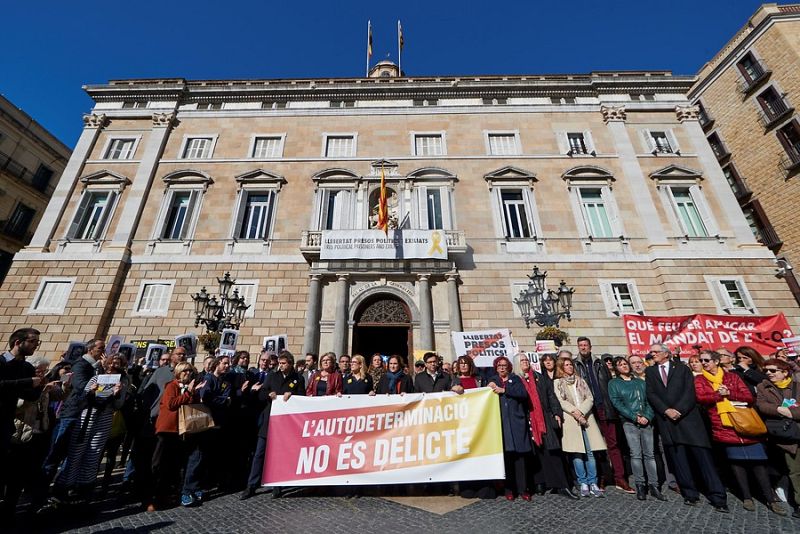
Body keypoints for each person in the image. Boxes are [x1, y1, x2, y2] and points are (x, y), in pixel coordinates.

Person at [695, 350, 785, 515]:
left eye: (706, 360)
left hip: (745, 424)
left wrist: (729, 393)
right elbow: (701, 398)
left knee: (758, 462)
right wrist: (718, 394)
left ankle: (770, 499)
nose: (703, 363)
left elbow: (748, 397)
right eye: (701, 360)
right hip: (724, 425)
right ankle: (746, 497)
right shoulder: (700, 379)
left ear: (716, 361)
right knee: (736, 463)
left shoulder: (732, 377)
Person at [645, 343, 728, 512]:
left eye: (655, 351)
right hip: (667, 421)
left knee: (703, 459)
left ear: (666, 354)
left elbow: (690, 392)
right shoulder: (650, 371)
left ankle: (718, 497)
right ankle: (690, 494)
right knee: (679, 461)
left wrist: (679, 410)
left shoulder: (682, 368)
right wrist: (666, 410)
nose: (652, 354)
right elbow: (651, 394)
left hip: (688, 419)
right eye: (651, 352)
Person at [52, 354, 127, 503]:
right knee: (75, 453)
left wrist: (117, 394)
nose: (112, 367)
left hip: (104, 418)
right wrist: (91, 392)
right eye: (110, 363)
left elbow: (118, 405)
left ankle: (83, 489)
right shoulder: (95, 378)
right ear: (105, 365)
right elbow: (81, 399)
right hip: (86, 417)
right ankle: (64, 487)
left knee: (94, 453)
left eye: (116, 364)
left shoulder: (122, 382)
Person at [242, 351, 305, 500]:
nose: (280, 366)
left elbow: (302, 397)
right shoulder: (272, 376)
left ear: (290, 364)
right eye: (280, 363)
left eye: (283, 363)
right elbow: (262, 394)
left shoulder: (298, 378)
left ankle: (278, 485)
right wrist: (269, 395)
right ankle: (252, 485)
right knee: (259, 453)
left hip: (286, 423)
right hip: (269, 420)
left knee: (280, 454)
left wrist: (292, 395)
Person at [42, 338, 104, 488]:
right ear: (90, 349)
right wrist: (99, 387)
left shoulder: (93, 366)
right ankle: (41, 488)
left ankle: (61, 485)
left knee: (70, 453)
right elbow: (80, 386)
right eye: (101, 348)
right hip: (71, 413)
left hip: (81, 413)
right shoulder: (80, 365)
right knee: (56, 453)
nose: (103, 351)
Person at [514, 352, 578, 500]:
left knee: (553, 452)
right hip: (527, 421)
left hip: (544, 419)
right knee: (535, 454)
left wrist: (556, 413)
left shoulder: (539, 377)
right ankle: (540, 483)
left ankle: (562, 485)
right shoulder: (516, 380)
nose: (525, 362)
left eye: (526, 360)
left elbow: (551, 395)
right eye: (522, 360)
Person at [3, 355, 59, 519]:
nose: (42, 374)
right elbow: (18, 406)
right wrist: (41, 391)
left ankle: (30, 507)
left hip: (39, 433)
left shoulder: (42, 384)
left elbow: (55, 399)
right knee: (14, 477)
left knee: (31, 472)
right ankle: (8, 510)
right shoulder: (24, 384)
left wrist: (64, 387)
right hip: (21, 434)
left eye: (44, 371)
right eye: (39, 371)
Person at [572, 337, 631, 493]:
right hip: (588, 411)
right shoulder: (575, 364)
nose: (583, 347)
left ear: (590, 347)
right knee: (595, 446)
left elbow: (609, 384)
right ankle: (602, 477)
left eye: (585, 345)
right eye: (580, 345)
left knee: (613, 444)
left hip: (604, 407)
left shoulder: (600, 364)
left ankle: (620, 478)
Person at [149, 362, 206, 510]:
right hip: (167, 430)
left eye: (189, 371)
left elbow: (191, 405)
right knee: (161, 464)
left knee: (175, 465)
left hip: (181, 430)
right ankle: (155, 496)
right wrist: (188, 393)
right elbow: (171, 404)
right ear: (178, 372)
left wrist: (194, 393)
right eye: (184, 371)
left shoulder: (190, 387)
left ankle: (171, 494)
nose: (188, 373)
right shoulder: (172, 386)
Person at [608, 357, 665, 501]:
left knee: (650, 454)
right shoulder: (614, 383)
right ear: (616, 368)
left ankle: (654, 485)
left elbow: (649, 401)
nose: (624, 366)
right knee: (636, 454)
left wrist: (647, 416)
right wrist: (634, 417)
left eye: (625, 364)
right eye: (620, 365)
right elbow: (617, 403)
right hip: (629, 422)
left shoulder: (640, 382)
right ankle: (640, 485)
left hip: (646, 421)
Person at [554, 356, 606, 498]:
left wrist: (581, 411)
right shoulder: (558, 383)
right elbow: (561, 401)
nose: (569, 367)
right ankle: (583, 482)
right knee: (577, 452)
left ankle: (593, 482)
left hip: (586, 418)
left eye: (570, 364)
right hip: (571, 419)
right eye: (566, 365)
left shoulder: (581, 381)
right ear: (561, 367)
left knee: (590, 452)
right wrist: (575, 413)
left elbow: (589, 398)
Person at [756, 358, 800, 518]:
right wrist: (781, 410)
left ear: (785, 372)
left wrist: (791, 413)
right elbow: (762, 406)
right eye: (766, 370)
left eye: (773, 370)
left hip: (797, 427)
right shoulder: (763, 387)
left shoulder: (797, 385)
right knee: (795, 471)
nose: (769, 373)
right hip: (784, 435)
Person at [488, 356, 531, 500]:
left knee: (520, 459)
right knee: (506, 459)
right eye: (499, 365)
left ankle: (523, 489)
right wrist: (488, 388)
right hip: (502, 424)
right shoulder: (492, 380)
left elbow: (523, 394)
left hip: (517, 423)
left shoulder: (515, 379)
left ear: (509, 367)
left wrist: (505, 390)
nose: (502, 367)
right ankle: (509, 489)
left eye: (504, 365)